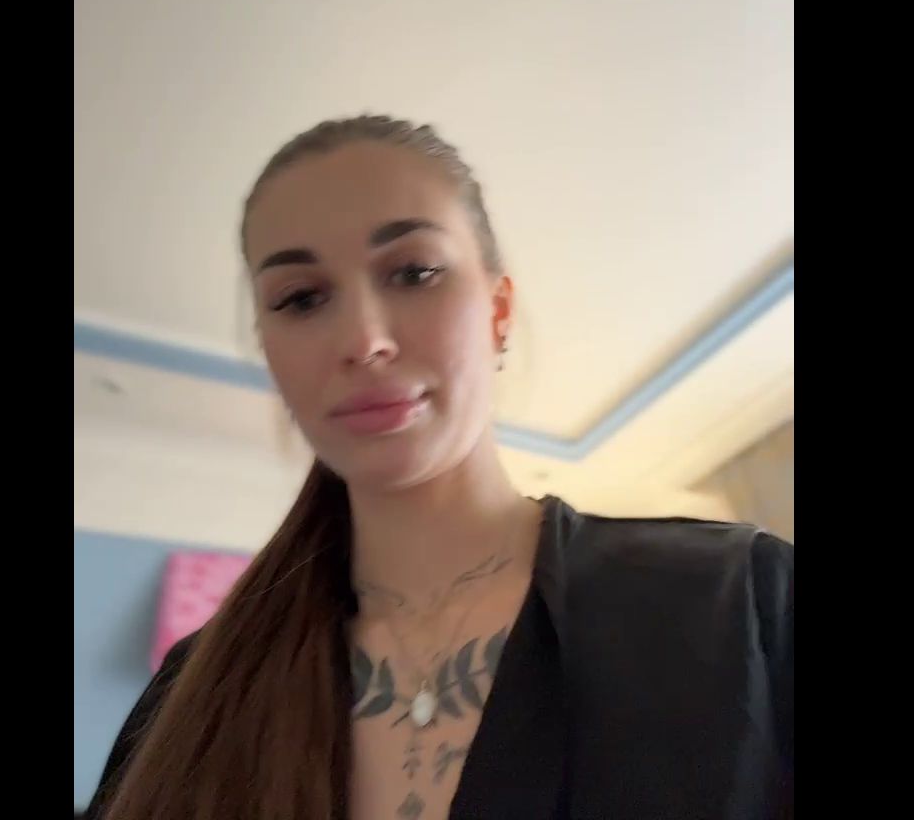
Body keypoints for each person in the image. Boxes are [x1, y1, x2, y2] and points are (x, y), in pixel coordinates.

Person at [84, 115, 793, 820]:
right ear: (269, 348)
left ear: (498, 312)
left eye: (414, 273)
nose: (364, 340)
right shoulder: (187, 702)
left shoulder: (740, 603)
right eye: (301, 298)